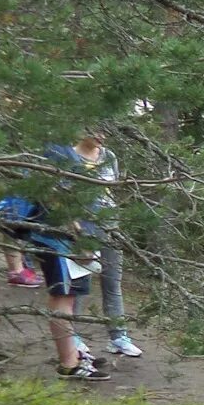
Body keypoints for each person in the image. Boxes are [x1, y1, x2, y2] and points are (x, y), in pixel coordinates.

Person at [0, 191, 109, 380]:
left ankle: (74, 353)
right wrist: (79, 237)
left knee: (69, 298)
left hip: (71, 238)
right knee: (61, 298)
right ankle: (68, 364)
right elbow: (56, 197)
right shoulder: (61, 159)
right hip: (60, 240)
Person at [57, 131, 140, 358]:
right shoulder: (67, 156)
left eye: (106, 130)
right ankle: (74, 336)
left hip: (110, 228)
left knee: (113, 283)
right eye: (96, 130)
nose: (102, 136)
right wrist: (77, 233)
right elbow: (62, 198)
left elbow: (109, 192)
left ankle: (118, 336)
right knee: (80, 286)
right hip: (81, 230)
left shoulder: (109, 156)